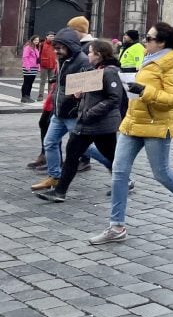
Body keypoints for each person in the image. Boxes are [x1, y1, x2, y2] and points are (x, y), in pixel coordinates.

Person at [88, 22, 173, 245]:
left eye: (149, 38)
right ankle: (116, 226)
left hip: (157, 123)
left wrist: (144, 90)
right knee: (119, 171)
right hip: (134, 120)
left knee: (161, 173)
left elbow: (172, 98)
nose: (145, 41)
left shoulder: (172, 63)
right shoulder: (149, 56)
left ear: (162, 42)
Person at [36, 40, 124, 202]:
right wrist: (79, 96)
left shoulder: (109, 72)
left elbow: (114, 98)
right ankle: (60, 192)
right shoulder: (96, 70)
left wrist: (90, 112)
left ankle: (124, 183)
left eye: (90, 52)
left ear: (99, 55)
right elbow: (93, 95)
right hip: (87, 123)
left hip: (101, 124)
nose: (88, 55)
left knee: (112, 157)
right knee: (72, 154)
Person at [32, 28, 92, 192]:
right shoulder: (63, 59)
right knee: (50, 142)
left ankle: (113, 164)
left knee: (86, 148)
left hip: (72, 113)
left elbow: (90, 86)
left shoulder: (82, 61)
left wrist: (79, 94)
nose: (56, 51)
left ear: (70, 46)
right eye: (55, 47)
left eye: (59, 48)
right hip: (59, 112)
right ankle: (55, 177)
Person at [36, 31, 58, 101]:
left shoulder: (55, 45)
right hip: (44, 65)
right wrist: (38, 64)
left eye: (53, 36)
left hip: (52, 65)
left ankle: (50, 96)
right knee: (42, 81)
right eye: (51, 36)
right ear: (47, 37)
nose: (52, 37)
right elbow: (38, 54)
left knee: (51, 82)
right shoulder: (42, 44)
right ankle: (40, 95)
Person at [21, 35, 40, 103]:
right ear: (32, 40)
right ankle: (23, 97)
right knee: (26, 82)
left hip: (34, 67)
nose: (37, 41)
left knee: (30, 83)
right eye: (35, 40)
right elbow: (25, 57)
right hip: (28, 67)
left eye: (38, 40)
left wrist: (38, 67)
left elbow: (38, 59)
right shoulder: (27, 47)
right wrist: (27, 67)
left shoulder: (35, 48)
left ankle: (28, 96)